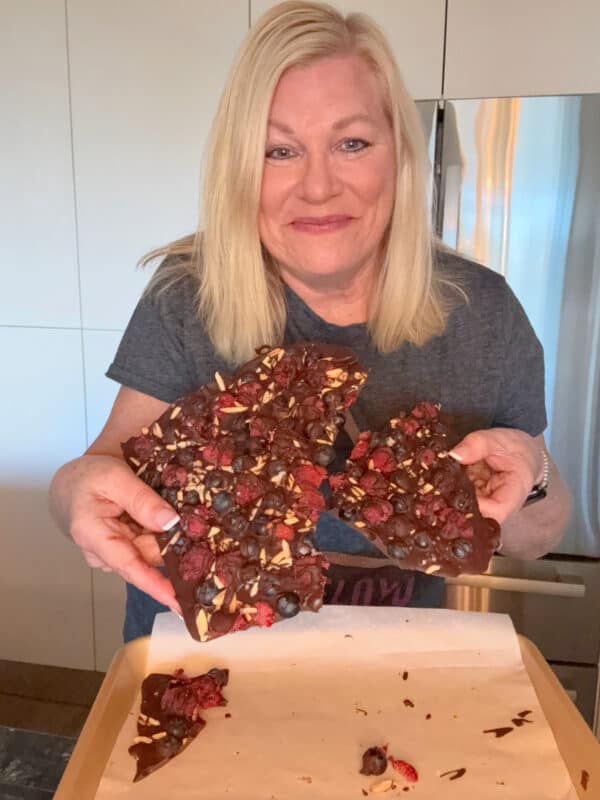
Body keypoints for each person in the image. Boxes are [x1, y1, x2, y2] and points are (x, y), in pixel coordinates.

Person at [49, 1, 571, 641]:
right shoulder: (189, 296)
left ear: (399, 157)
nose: (318, 186)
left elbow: (540, 536)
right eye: (279, 150)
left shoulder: (482, 315)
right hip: (197, 666)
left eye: (352, 143)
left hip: (395, 668)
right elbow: (100, 474)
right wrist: (74, 488)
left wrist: (533, 475)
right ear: (240, 170)